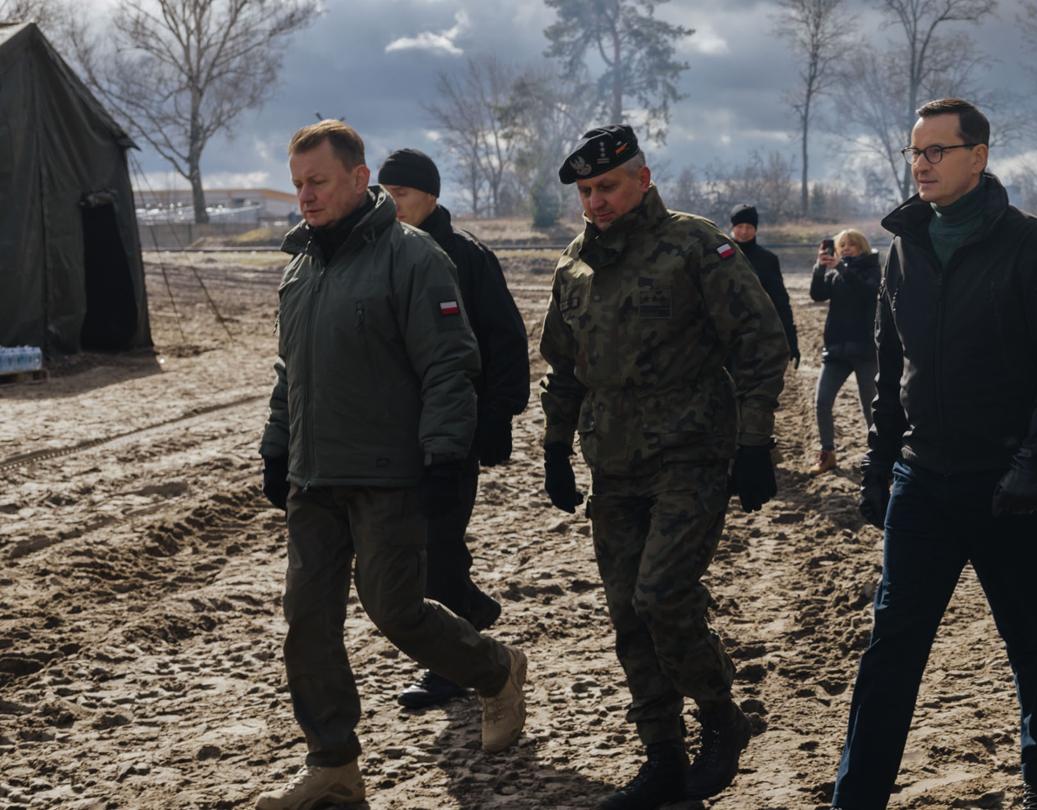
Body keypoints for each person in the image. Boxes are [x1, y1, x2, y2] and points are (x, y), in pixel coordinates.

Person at [832, 98, 1037, 810]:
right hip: (923, 480)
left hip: (1008, 484)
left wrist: (1036, 462)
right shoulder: (904, 246)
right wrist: (879, 463)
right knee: (891, 649)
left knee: (1030, 639)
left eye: (937, 151)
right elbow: (892, 368)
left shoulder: (1028, 245)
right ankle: (856, 798)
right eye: (915, 152)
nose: (921, 164)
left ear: (977, 157)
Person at [255, 120, 528, 809]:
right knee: (306, 623)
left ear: (358, 177)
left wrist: (444, 454)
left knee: (395, 610)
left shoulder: (413, 258)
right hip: (315, 476)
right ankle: (333, 765)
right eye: (297, 184)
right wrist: (277, 444)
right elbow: (291, 370)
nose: (305, 196)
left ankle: (495, 669)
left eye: (318, 182)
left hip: (387, 473)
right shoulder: (301, 267)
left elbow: (449, 364)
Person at [538, 125, 788, 809]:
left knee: (661, 595)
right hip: (613, 464)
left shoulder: (693, 246)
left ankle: (720, 716)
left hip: (690, 454)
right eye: (586, 191)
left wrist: (754, 443)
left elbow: (761, 341)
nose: (596, 201)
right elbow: (563, 366)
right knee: (627, 612)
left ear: (642, 180)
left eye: (608, 186)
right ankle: (662, 758)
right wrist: (556, 447)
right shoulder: (574, 267)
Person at [376, 147, 531, 711]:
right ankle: (472, 611)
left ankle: (449, 667)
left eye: (401, 194)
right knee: (418, 547)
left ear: (431, 195)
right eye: (384, 194)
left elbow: (505, 339)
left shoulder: (466, 256)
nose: (391, 204)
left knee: (438, 544)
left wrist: (498, 416)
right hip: (398, 431)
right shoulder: (380, 252)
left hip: (457, 425)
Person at [808, 228, 882, 475]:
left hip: (865, 350)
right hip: (836, 350)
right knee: (822, 401)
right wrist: (819, 268)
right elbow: (817, 295)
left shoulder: (872, 269)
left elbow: (866, 292)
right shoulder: (836, 271)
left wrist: (841, 268)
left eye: (852, 244)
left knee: (871, 406)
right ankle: (827, 453)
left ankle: (880, 455)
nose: (846, 249)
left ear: (862, 247)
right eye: (842, 245)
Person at [730, 203, 802, 368]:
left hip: (758, 335)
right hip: (725, 334)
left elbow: (780, 301)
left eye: (749, 227)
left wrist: (791, 341)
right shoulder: (720, 255)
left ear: (756, 229)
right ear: (733, 227)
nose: (744, 231)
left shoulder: (767, 260)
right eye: (740, 226)